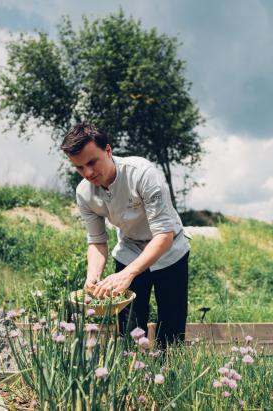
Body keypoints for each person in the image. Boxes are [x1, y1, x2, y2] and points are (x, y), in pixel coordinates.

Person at [60, 122, 191, 350]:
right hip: (130, 248)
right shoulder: (84, 193)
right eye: (80, 168)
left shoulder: (142, 174)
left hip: (169, 250)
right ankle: (134, 373)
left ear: (108, 151)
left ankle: (169, 376)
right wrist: (93, 276)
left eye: (92, 162)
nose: (88, 173)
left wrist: (127, 274)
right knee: (129, 330)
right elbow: (97, 240)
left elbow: (164, 235)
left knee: (171, 331)